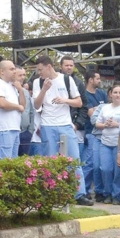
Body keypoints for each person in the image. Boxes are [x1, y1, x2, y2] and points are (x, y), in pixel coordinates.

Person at [32, 55, 84, 190]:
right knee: (49, 161)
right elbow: (36, 106)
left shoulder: (67, 79)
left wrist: (65, 100)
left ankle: (79, 193)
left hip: (65, 124)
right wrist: (44, 89)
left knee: (73, 160)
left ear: (49, 67)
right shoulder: (38, 82)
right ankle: (52, 192)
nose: (39, 73)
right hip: (47, 125)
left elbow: (79, 102)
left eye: (40, 69)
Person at [92, 85, 120, 204]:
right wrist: (105, 125)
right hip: (105, 142)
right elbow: (97, 123)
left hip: (119, 144)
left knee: (118, 171)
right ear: (111, 94)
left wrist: (117, 124)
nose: (117, 95)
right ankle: (107, 193)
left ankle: (116, 195)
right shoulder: (105, 108)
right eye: (115, 92)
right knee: (105, 169)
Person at [0, 60, 25, 160]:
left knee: (13, 163)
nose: (14, 71)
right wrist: (17, 107)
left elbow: (23, 106)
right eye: (11, 69)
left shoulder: (12, 85)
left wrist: (20, 90)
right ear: (2, 71)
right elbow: (2, 103)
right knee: (4, 163)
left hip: (15, 128)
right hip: (3, 129)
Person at [81, 70, 108, 200]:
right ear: (90, 80)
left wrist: (98, 109)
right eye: (97, 78)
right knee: (90, 163)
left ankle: (100, 191)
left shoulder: (102, 93)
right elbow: (91, 114)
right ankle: (83, 190)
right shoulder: (84, 95)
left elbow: (108, 111)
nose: (99, 81)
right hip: (91, 133)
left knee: (101, 164)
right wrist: (100, 110)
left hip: (105, 133)